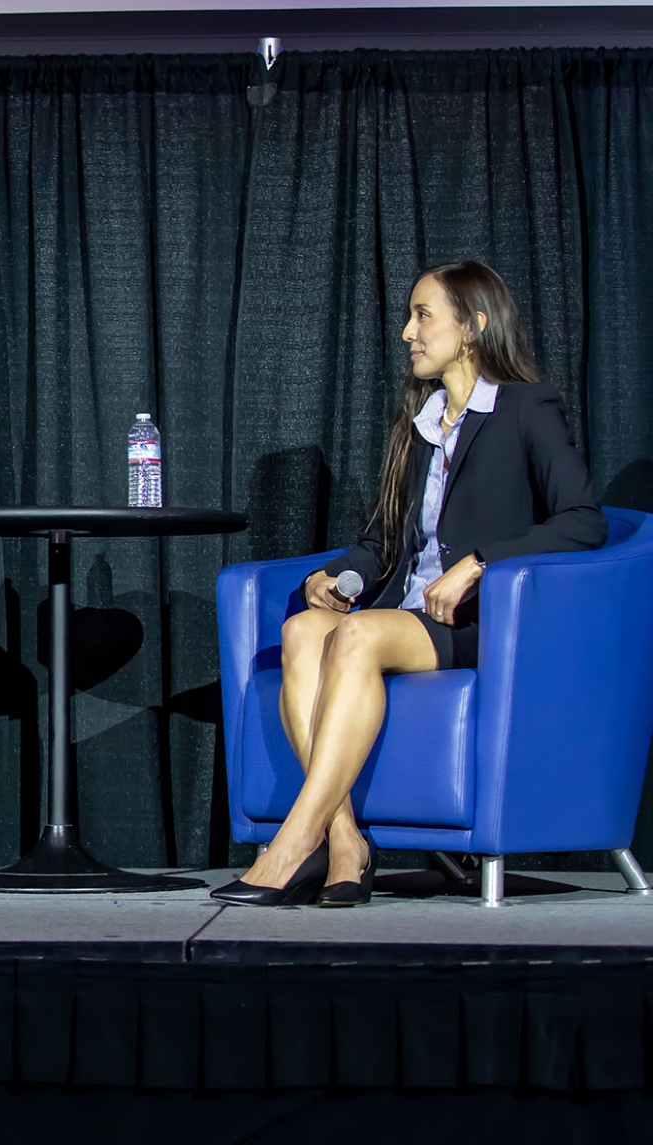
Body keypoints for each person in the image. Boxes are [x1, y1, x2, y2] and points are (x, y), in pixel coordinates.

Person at [213, 261, 605, 908]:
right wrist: (339, 579)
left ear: (473, 325)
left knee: (359, 635)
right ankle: (345, 840)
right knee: (304, 629)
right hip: (408, 617)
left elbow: (584, 520)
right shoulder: (419, 424)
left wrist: (481, 562)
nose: (407, 332)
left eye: (423, 315)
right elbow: (382, 542)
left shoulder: (525, 407)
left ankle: (295, 842)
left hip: (479, 625)